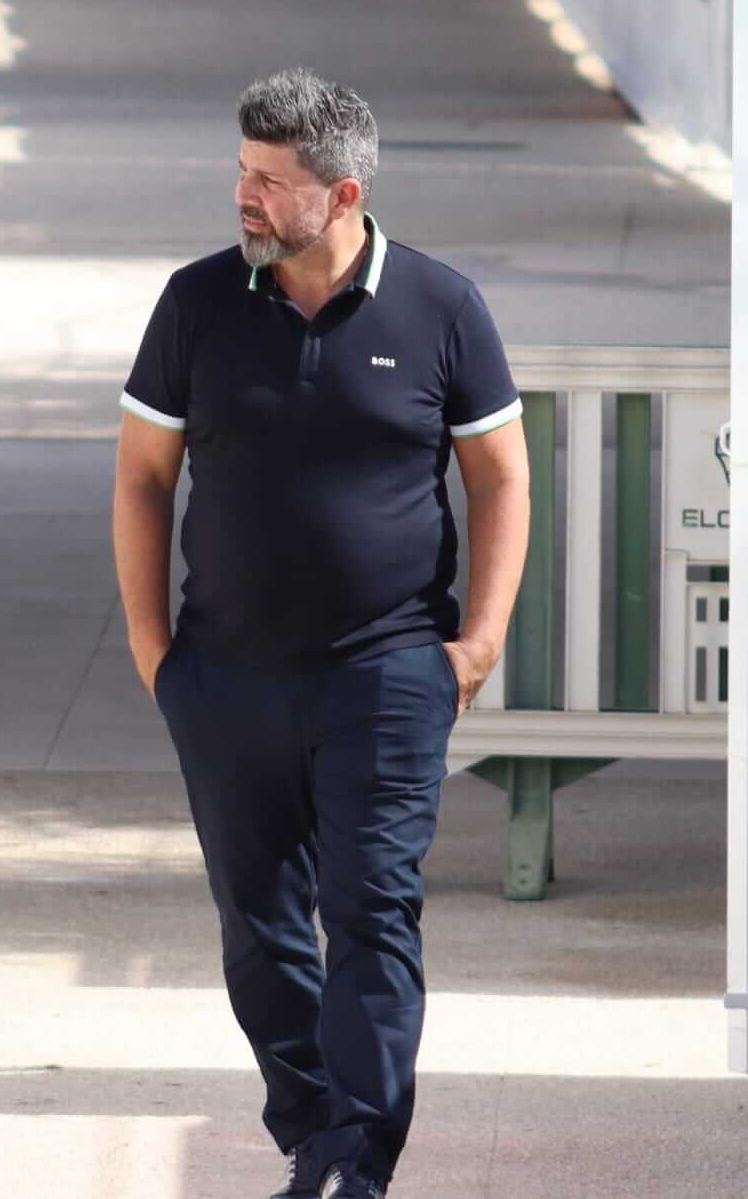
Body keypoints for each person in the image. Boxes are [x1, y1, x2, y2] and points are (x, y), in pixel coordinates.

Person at [111, 68, 529, 1198]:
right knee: (259, 926)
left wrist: (474, 644)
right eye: (240, 172)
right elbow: (144, 480)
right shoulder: (196, 302)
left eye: (269, 182)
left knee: (371, 909)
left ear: (341, 194)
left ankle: (358, 1157)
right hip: (223, 675)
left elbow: (499, 479)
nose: (243, 197)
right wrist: (156, 654)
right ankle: (313, 1126)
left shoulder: (440, 308)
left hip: (388, 670)